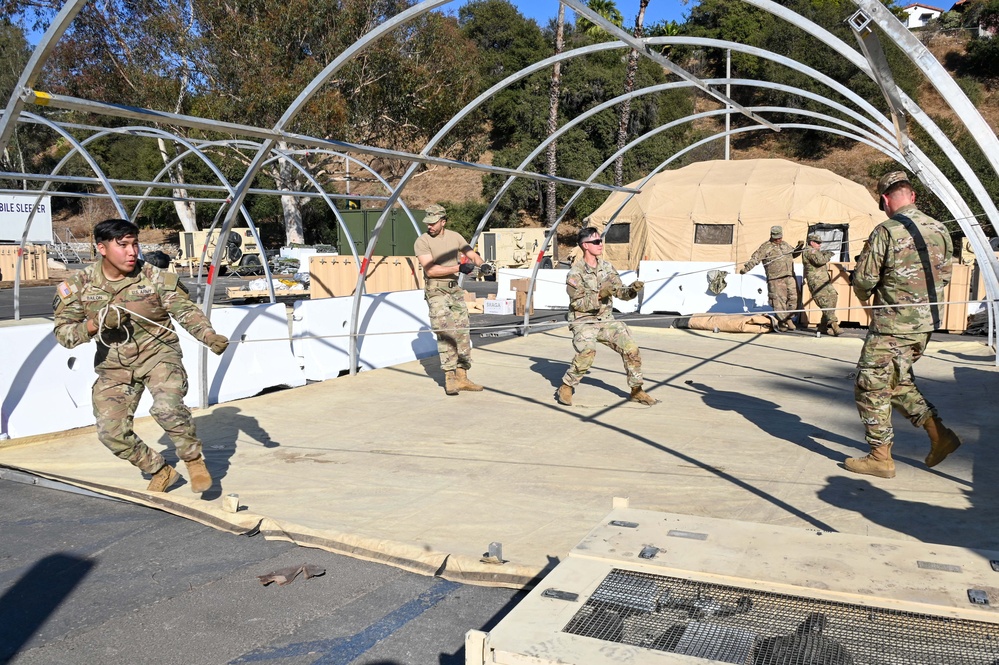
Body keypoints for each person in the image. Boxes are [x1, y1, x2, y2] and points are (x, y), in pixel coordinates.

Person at [53, 218, 230, 493]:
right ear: (101, 248)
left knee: (166, 407)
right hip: (114, 367)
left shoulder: (154, 277)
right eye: (122, 245)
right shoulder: (79, 285)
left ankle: (194, 461)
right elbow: (64, 334)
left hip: (159, 355)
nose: (132, 252)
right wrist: (94, 324)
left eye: (134, 244)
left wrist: (208, 335)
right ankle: (160, 470)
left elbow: (185, 311)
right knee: (111, 433)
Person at [845, 171, 961, 479]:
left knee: (869, 385)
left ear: (885, 200)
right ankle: (941, 437)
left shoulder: (887, 230)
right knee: (896, 383)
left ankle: (880, 457)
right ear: (912, 196)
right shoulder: (941, 229)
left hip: (892, 327)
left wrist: (866, 294)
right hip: (923, 326)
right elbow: (946, 277)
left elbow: (864, 280)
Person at [556, 227, 655, 407]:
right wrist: (600, 295)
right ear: (585, 245)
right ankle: (567, 386)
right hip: (583, 320)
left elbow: (620, 292)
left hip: (606, 319)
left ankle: (636, 390)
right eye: (595, 242)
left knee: (631, 348)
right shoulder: (575, 272)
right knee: (587, 352)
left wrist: (631, 290)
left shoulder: (607, 267)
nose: (600, 244)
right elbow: (577, 303)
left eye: (600, 241)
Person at [414, 204, 486, 396]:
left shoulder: (455, 236)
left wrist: (482, 264)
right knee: (445, 332)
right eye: (427, 223)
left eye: (433, 223)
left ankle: (462, 376)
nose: (429, 226)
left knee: (462, 331)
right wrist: (458, 268)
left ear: (443, 222)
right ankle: (450, 377)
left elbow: (471, 253)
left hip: (454, 290)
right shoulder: (422, 241)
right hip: (436, 291)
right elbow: (430, 270)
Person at [740, 226, 801, 331]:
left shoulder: (785, 244)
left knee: (794, 298)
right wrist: (746, 268)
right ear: (771, 236)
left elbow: (793, 255)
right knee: (779, 301)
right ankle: (782, 321)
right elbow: (756, 258)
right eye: (776, 238)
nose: (778, 240)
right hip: (775, 278)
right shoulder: (765, 247)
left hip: (789, 275)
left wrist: (799, 248)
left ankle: (789, 318)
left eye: (780, 237)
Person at [801, 232, 841, 336]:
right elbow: (820, 261)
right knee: (824, 302)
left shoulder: (816, 251)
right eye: (818, 243)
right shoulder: (809, 250)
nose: (820, 244)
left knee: (833, 296)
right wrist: (828, 255)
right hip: (816, 282)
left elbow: (820, 257)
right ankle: (834, 324)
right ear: (812, 242)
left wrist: (824, 253)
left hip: (824, 281)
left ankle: (823, 326)